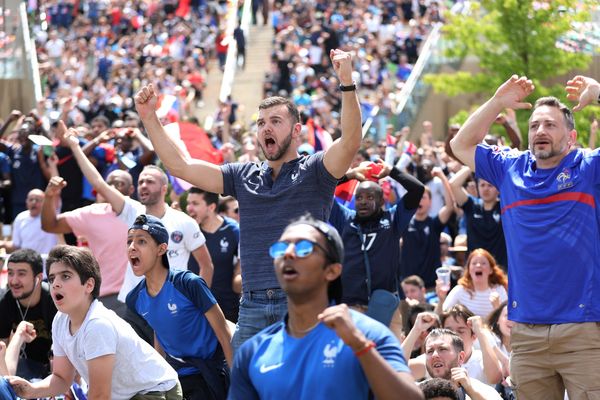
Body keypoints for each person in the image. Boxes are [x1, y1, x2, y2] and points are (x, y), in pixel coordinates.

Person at [134, 49, 362, 350]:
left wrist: (347, 82)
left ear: (296, 132)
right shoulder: (242, 175)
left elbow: (350, 142)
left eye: (276, 121)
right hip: (251, 306)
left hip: (300, 300)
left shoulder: (316, 170)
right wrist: (150, 119)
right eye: (261, 122)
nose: (266, 127)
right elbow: (182, 168)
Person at [450, 74, 600, 399]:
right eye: (534, 126)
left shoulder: (589, 168)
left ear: (572, 137)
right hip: (526, 332)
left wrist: (599, 94)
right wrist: (497, 103)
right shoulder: (510, 168)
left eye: (550, 125)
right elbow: (460, 144)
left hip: (583, 328)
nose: (540, 132)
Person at [228, 215, 424, 400]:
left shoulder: (368, 335)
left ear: (332, 270)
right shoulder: (253, 351)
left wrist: (360, 346)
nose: (288, 254)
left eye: (304, 248)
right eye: (281, 248)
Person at [8, 245, 182, 400]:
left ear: (89, 285)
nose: (55, 284)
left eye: (65, 276)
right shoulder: (60, 321)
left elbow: (100, 396)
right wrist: (31, 390)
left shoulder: (97, 325)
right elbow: (61, 379)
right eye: (52, 278)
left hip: (156, 391)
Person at [126, 215, 232, 400]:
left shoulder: (188, 283)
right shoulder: (134, 298)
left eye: (141, 241)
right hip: (178, 377)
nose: (132, 247)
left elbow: (224, 333)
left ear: (162, 248)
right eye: (129, 241)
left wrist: (238, 384)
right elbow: (159, 330)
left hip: (211, 374)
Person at [328, 160, 425, 337]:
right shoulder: (344, 219)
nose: (363, 202)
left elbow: (417, 189)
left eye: (370, 197)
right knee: (351, 363)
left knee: (390, 363)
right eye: (359, 197)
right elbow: (322, 189)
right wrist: (349, 175)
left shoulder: (394, 219)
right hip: (350, 309)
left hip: (385, 309)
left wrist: (392, 171)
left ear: (381, 200)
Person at [186, 188, 241, 323]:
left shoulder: (234, 231)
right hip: (195, 309)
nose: (189, 208)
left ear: (211, 207)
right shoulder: (186, 229)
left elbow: (241, 271)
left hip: (227, 311)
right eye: (188, 203)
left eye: (195, 203)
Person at [0, 249, 57, 379]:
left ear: (38, 278)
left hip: (55, 369)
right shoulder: (5, 302)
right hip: (22, 369)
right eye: (10, 273)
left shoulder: (54, 301)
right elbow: (1, 351)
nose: (14, 281)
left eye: (21, 274)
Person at [449, 166, 507, 269]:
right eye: (482, 185)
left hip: (499, 269)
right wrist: (472, 165)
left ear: (498, 189)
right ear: (477, 187)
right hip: (475, 269)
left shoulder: (505, 207)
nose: (485, 189)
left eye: (490, 185)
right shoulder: (472, 205)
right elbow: (453, 184)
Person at [423, 329, 501, 400]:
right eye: (430, 351)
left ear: (460, 357)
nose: (434, 355)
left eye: (442, 349)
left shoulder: (483, 391)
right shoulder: (418, 393)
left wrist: (471, 392)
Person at [441, 249, 508, 318]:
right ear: (469, 270)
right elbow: (443, 315)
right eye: (474, 263)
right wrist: (441, 299)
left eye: (483, 263)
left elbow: (507, 321)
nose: (478, 265)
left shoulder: (499, 290)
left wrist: (497, 308)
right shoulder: (459, 290)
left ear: (491, 270)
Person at [1, 189, 57, 255]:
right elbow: (16, 245)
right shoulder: (20, 218)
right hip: (27, 262)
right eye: (31, 199)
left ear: (45, 202)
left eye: (38, 200)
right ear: (26, 202)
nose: (34, 202)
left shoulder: (51, 216)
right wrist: (3, 244)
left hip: (47, 262)